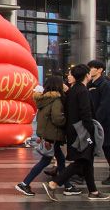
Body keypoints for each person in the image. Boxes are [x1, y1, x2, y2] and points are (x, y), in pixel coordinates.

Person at [43, 64, 110, 201]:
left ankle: (93, 192)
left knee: (87, 161)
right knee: (82, 160)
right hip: (83, 132)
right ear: (87, 75)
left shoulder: (73, 91)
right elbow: (86, 114)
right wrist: (91, 131)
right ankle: (54, 183)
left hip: (74, 130)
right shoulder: (83, 91)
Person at [15, 76, 80, 196]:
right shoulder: (56, 100)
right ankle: (24, 184)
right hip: (52, 135)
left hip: (47, 134)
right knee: (45, 161)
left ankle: (67, 186)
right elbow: (57, 118)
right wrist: (65, 121)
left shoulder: (44, 99)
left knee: (60, 161)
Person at [88, 59, 110, 185]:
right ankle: (81, 173)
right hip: (95, 122)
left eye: (92, 67)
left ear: (100, 70)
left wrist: (96, 122)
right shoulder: (90, 84)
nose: (90, 69)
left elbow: (104, 106)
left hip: (104, 124)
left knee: (107, 148)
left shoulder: (105, 84)